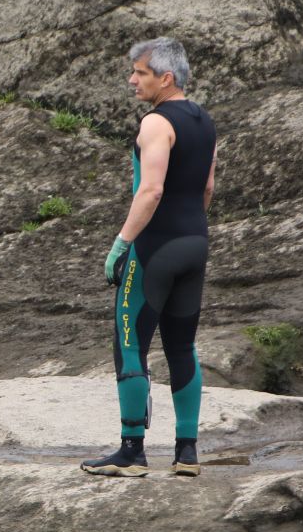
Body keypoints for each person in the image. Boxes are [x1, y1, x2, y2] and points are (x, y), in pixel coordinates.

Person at [82, 36, 217, 479]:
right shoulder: (204, 121)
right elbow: (207, 190)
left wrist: (123, 243)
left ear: (166, 77)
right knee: (182, 346)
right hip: (195, 242)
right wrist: (187, 232)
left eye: (140, 72)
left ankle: (131, 451)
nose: (132, 80)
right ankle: (187, 452)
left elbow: (152, 189)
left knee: (130, 343)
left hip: (154, 248)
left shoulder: (156, 123)